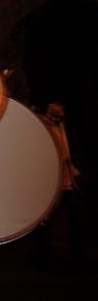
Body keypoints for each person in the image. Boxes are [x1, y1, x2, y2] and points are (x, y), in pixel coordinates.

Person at [34, 100, 88, 270]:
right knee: (46, 223)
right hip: (51, 182)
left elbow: (68, 151)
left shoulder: (65, 126)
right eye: (58, 105)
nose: (61, 108)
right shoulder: (40, 125)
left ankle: (79, 257)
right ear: (49, 106)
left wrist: (75, 171)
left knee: (77, 220)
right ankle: (44, 259)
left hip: (68, 182)